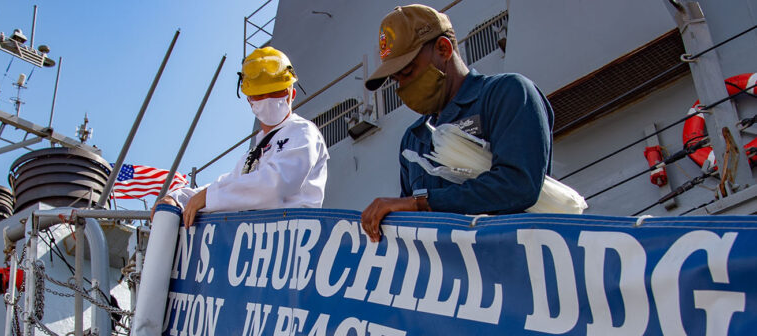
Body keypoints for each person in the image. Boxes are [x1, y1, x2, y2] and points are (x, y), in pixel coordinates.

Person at [360, 4, 554, 242]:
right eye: (396, 80)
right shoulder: (413, 141)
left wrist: (419, 203)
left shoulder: (508, 93)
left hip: (513, 266)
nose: (402, 88)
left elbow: (518, 185)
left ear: (443, 48)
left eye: (408, 72)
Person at [158, 46, 329, 226]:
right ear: (250, 101)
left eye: (277, 92)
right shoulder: (255, 152)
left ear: (291, 94)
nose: (268, 98)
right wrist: (178, 198)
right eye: (260, 95)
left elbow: (277, 186)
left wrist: (208, 197)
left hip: (293, 238)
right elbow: (231, 184)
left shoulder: (302, 131)